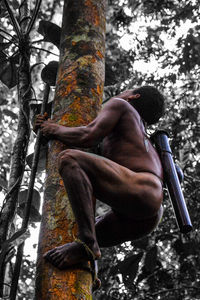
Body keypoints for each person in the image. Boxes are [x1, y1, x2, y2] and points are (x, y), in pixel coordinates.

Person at [35, 86, 165, 271]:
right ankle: (89, 266)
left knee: (70, 159)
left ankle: (88, 245)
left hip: (141, 187)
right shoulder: (139, 137)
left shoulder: (121, 105)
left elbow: (87, 135)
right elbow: (93, 158)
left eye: (127, 90)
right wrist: (44, 132)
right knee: (90, 224)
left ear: (133, 96)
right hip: (148, 215)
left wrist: (54, 128)